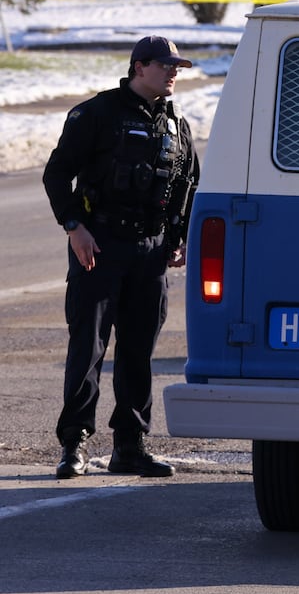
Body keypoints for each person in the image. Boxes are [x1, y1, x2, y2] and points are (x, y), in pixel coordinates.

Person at [42, 35, 200, 479]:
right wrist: (75, 228)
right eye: (166, 66)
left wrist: (179, 235)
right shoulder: (98, 113)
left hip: (149, 255)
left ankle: (130, 446)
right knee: (89, 348)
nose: (173, 74)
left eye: (177, 68)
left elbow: (187, 182)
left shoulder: (175, 122)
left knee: (137, 351)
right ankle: (74, 443)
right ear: (139, 66)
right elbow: (57, 174)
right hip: (100, 246)